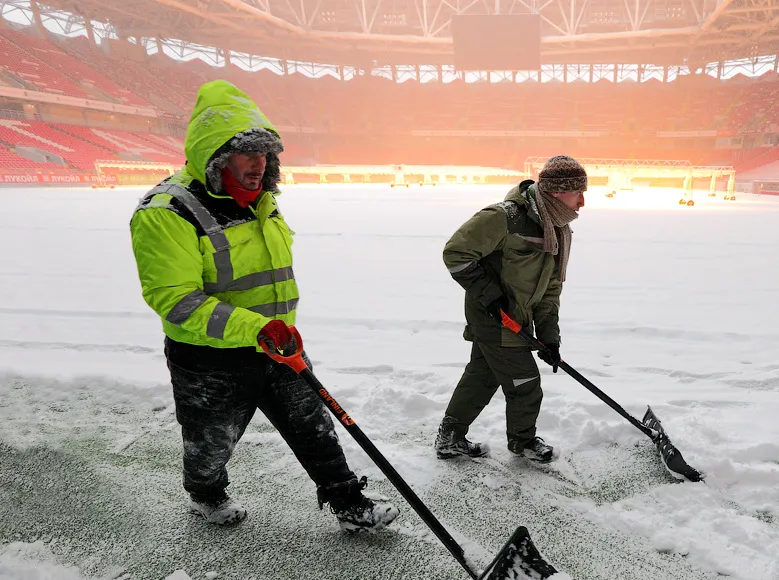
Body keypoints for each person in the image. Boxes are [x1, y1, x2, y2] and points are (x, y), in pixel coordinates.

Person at [129, 80, 398, 533]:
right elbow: (174, 300)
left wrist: (271, 332)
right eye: (246, 153)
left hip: (277, 347)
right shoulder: (168, 211)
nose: (259, 164)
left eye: (265, 154)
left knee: (315, 428)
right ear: (215, 157)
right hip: (208, 358)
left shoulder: (263, 204)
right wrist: (254, 328)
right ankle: (206, 494)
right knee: (209, 445)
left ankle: (347, 500)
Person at [435, 155, 587, 463]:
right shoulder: (504, 218)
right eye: (577, 193)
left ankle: (449, 438)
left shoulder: (557, 229)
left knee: (483, 375)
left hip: (517, 317)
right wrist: (491, 297)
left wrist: (549, 336)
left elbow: (550, 289)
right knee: (525, 383)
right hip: (494, 317)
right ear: (557, 192)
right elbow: (456, 253)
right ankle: (523, 441)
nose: (582, 202)